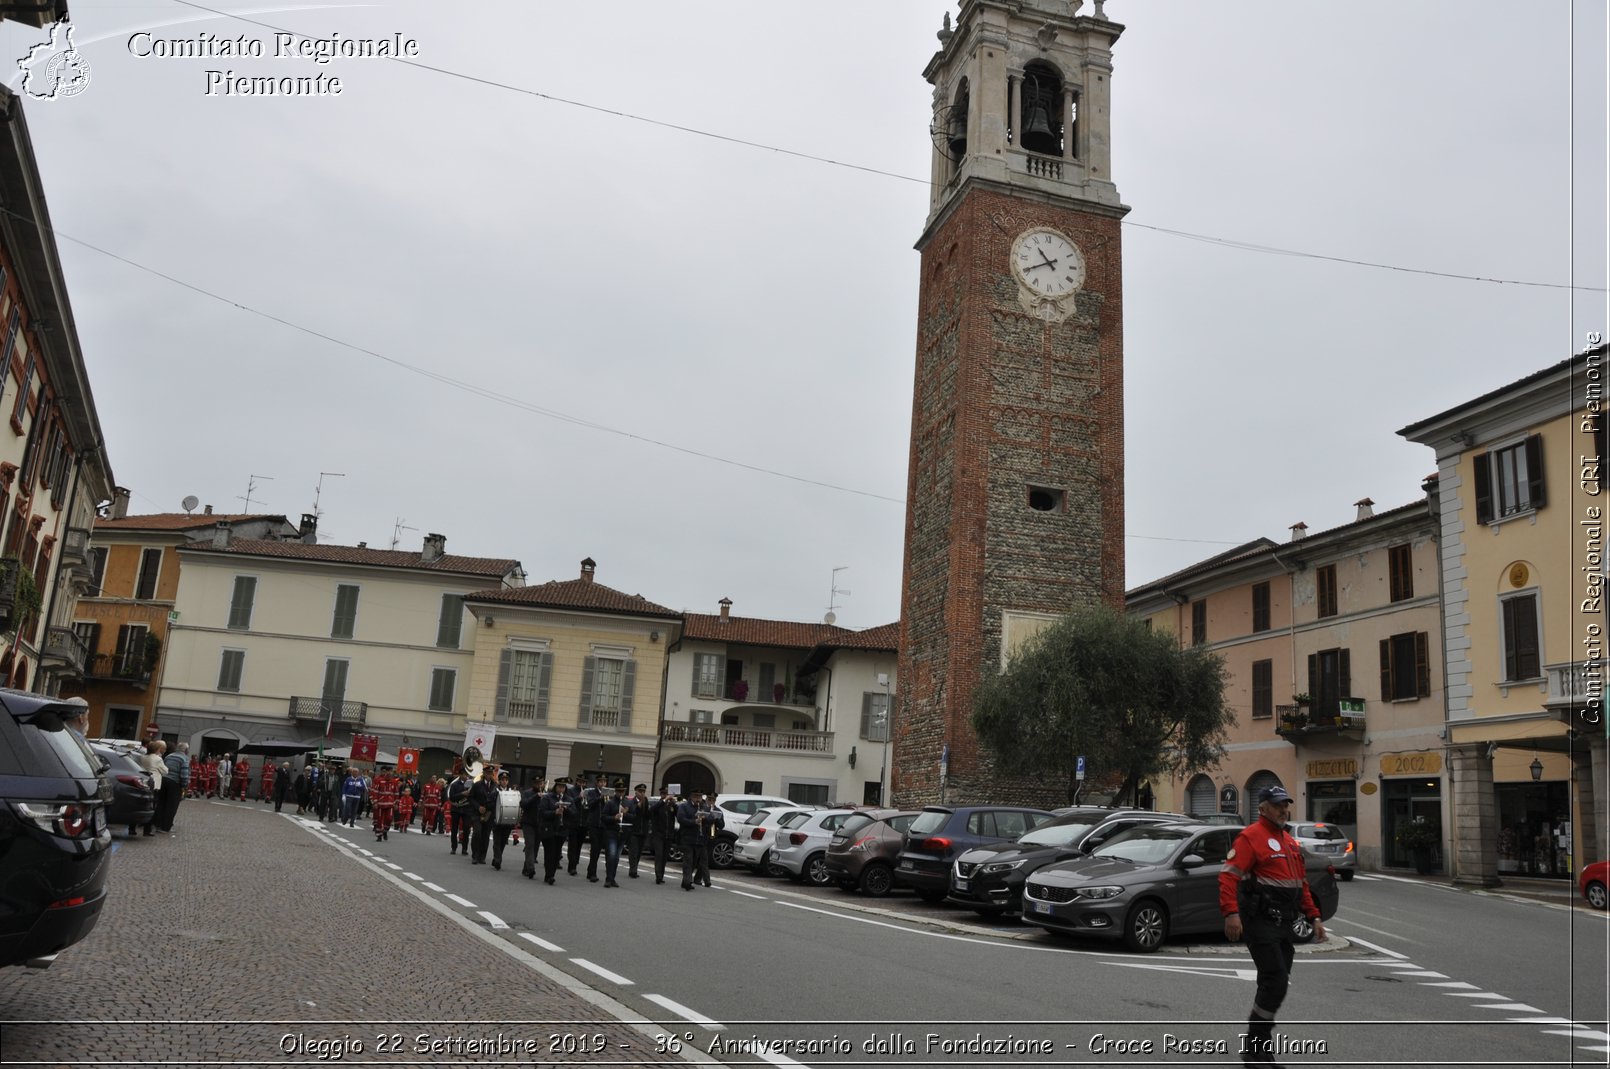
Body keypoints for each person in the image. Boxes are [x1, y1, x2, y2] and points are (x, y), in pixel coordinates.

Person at [1220, 785, 1326, 1066]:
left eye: (1285, 804)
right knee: (1276, 981)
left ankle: (1258, 1048)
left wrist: (1314, 917)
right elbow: (1228, 877)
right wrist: (1231, 913)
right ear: (1263, 807)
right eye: (1278, 805)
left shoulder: (1289, 842)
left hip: (1285, 923)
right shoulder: (1250, 837)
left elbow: (1301, 884)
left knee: (1272, 983)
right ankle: (1255, 1050)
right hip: (1260, 921)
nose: (1284, 809)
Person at [467, 766, 499, 865]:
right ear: (484, 774)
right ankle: (475, 856)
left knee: (485, 835)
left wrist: (490, 810)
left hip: (489, 814)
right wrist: (478, 807)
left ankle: (482, 856)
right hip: (477, 813)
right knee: (477, 833)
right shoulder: (477, 785)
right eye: (487, 773)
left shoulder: (495, 786)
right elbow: (470, 798)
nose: (489, 775)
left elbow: (497, 800)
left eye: (491, 773)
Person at [159, 742, 191, 832]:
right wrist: (184, 785)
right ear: (186, 750)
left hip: (164, 780)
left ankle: (158, 824)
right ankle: (166, 827)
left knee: (162, 803)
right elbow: (184, 774)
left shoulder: (169, 756)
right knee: (171, 806)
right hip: (175, 783)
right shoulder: (184, 759)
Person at [138, 740, 167, 836]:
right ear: (157, 749)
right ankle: (147, 830)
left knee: (141, 804)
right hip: (154, 784)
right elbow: (165, 771)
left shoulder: (143, 757)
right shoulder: (158, 759)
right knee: (152, 806)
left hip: (145, 782)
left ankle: (132, 828)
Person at [583, 774, 608, 883]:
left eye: (604, 782)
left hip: (603, 825)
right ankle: (593, 873)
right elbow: (590, 805)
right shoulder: (592, 792)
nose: (603, 784)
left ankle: (590, 870)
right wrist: (599, 798)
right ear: (597, 783)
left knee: (598, 850)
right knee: (595, 849)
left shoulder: (608, 793)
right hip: (593, 824)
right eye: (601, 782)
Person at [623, 784, 651, 879]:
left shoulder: (646, 801)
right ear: (636, 792)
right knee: (633, 851)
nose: (642, 793)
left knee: (639, 852)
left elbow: (648, 816)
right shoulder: (631, 802)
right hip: (633, 831)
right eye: (640, 791)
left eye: (643, 792)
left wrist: (646, 806)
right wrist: (637, 807)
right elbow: (627, 815)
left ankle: (635, 868)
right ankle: (632, 870)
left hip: (643, 831)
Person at [489, 769, 515, 870]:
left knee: (503, 841)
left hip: (507, 821)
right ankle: (498, 860)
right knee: (497, 841)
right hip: (497, 820)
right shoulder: (495, 791)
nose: (504, 782)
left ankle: (496, 858)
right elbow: (490, 803)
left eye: (506, 780)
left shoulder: (511, 792)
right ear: (499, 781)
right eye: (502, 780)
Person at [562, 778, 586, 876]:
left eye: (584, 782)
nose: (582, 784)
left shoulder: (587, 791)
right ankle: (572, 867)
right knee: (573, 845)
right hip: (573, 822)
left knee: (579, 846)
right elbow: (569, 803)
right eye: (580, 782)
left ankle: (575, 862)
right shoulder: (571, 791)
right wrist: (579, 797)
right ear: (577, 782)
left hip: (583, 823)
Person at [447, 769, 473, 855]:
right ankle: (453, 847)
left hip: (467, 809)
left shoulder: (471, 784)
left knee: (466, 829)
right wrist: (462, 794)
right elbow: (451, 797)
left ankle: (464, 849)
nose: (467, 776)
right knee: (454, 829)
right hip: (456, 809)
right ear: (461, 775)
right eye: (465, 775)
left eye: (467, 775)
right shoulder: (454, 784)